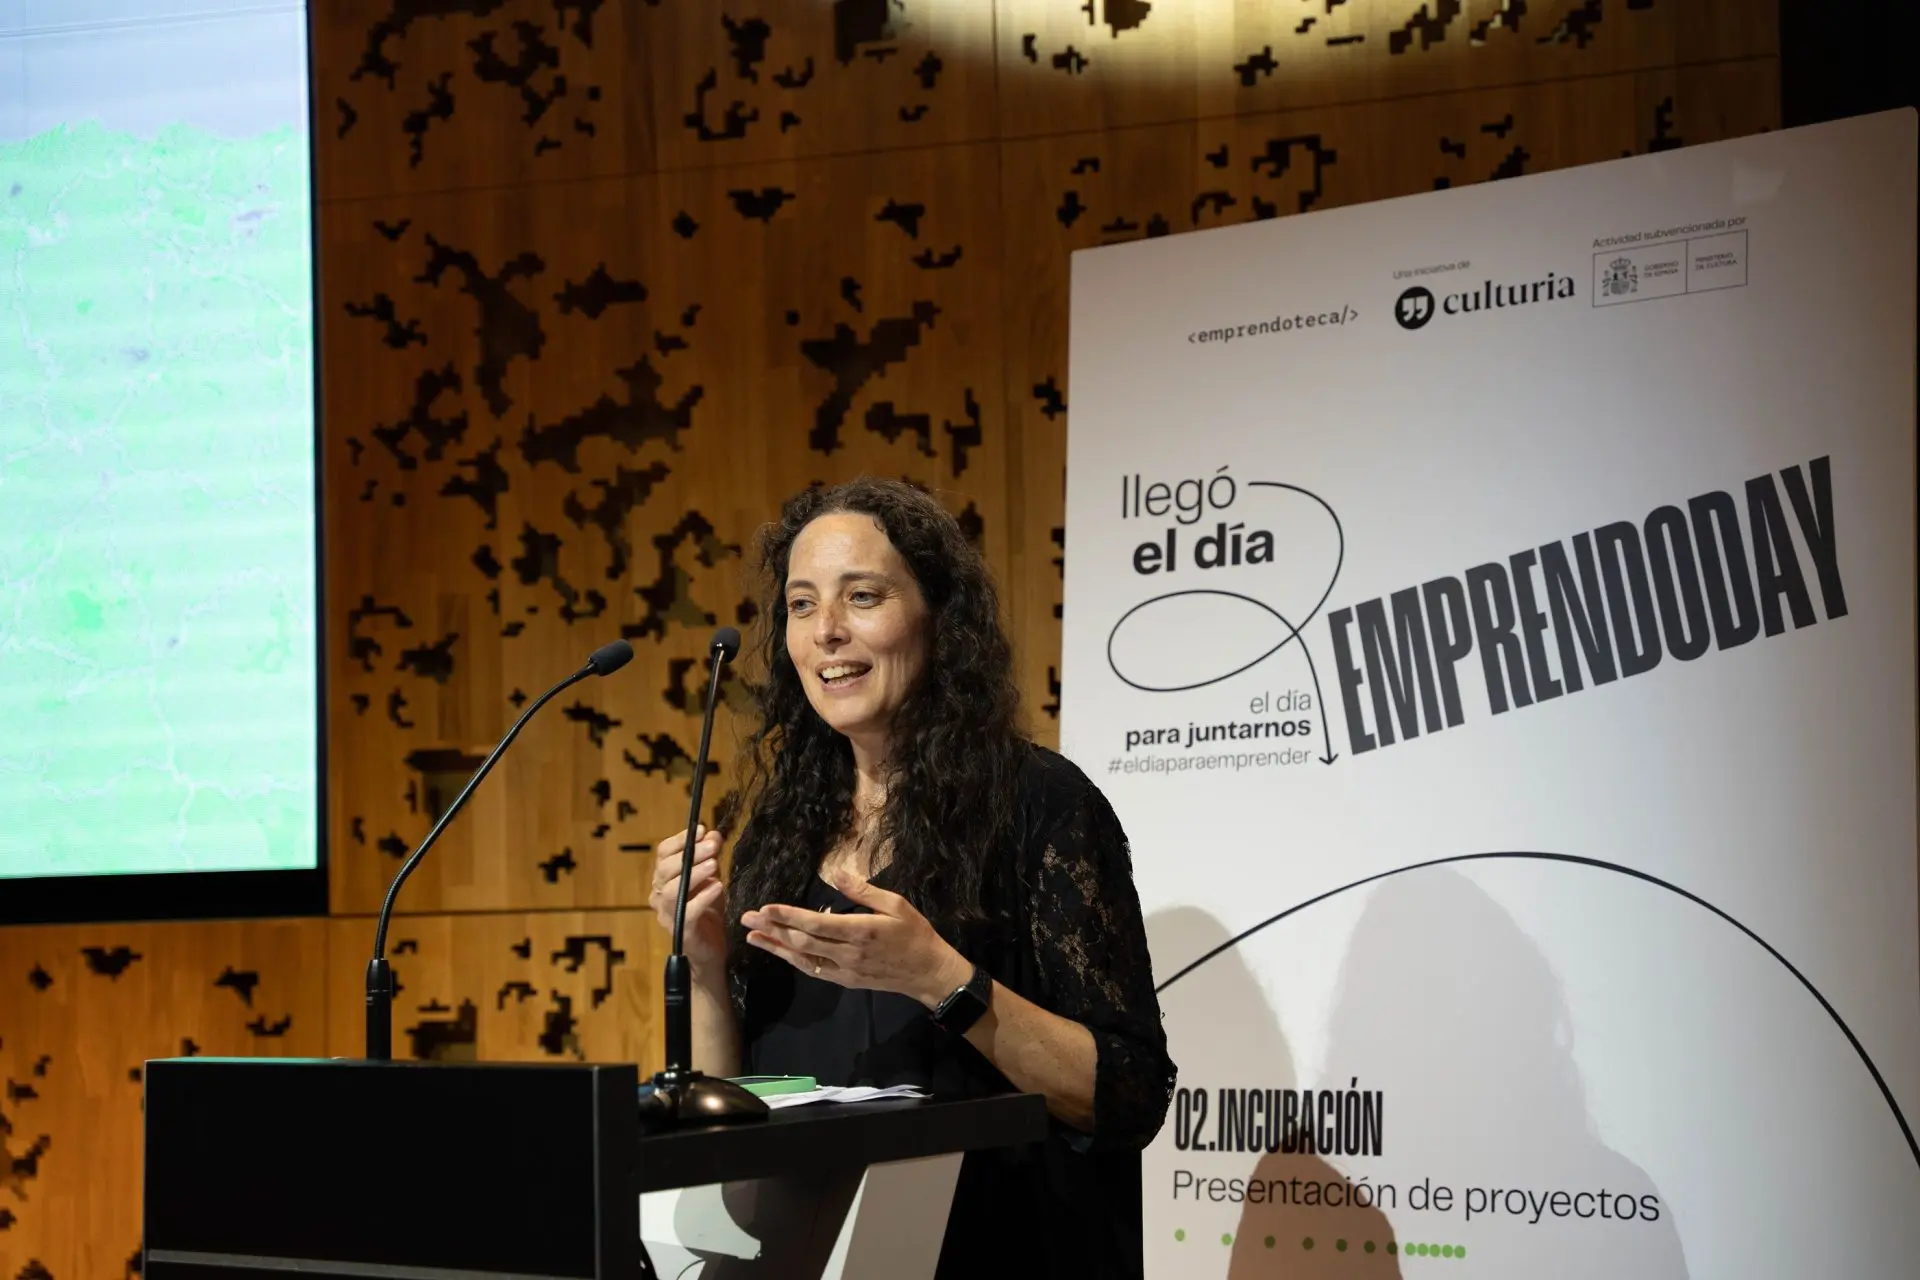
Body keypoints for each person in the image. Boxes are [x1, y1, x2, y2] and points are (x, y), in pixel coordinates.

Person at [648, 477, 1176, 1277]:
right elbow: (735, 1114)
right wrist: (706, 966)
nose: (826, 631)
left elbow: (1129, 1095)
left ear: (939, 616)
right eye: (800, 604)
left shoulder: (1040, 804)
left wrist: (939, 978)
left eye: (862, 596)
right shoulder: (778, 836)